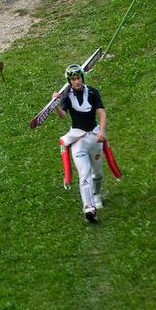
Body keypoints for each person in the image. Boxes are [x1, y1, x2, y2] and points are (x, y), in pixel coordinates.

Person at [53, 63, 108, 222]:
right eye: (73, 79)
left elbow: (102, 113)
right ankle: (89, 209)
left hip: (94, 137)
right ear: (69, 81)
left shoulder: (92, 92)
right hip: (77, 139)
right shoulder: (67, 96)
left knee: (97, 173)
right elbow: (63, 115)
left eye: (78, 78)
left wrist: (102, 131)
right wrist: (56, 104)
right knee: (84, 174)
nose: (76, 82)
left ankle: (97, 195)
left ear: (82, 78)